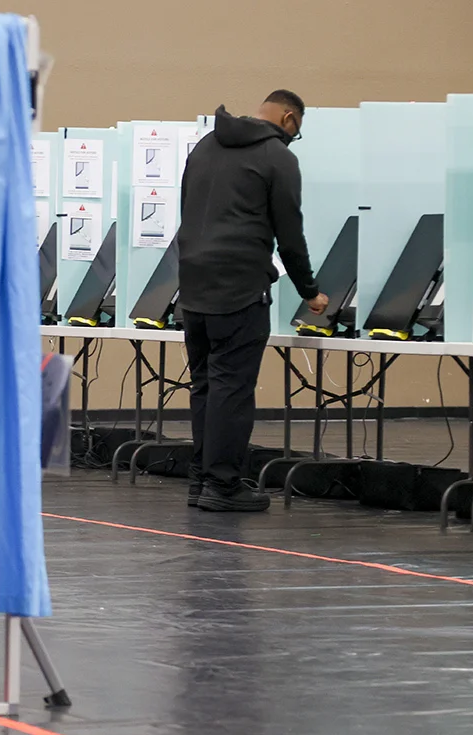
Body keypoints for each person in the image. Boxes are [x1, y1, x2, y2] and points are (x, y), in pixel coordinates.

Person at [176, 90, 329, 512]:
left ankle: (201, 480)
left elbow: (187, 210)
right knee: (232, 388)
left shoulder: (205, 145)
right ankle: (222, 485)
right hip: (239, 289)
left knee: (206, 385)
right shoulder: (278, 157)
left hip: (193, 286)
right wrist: (310, 291)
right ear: (289, 119)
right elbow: (289, 234)